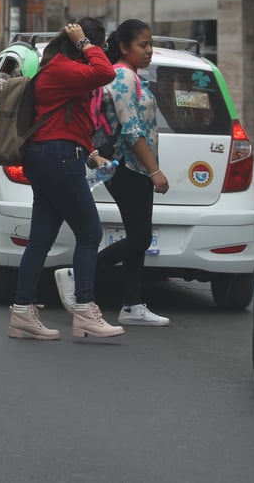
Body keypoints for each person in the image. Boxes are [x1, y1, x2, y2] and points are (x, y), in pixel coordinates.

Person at [7, 19, 123, 341]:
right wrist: (87, 43)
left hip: (51, 156)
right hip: (58, 158)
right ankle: (85, 310)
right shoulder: (61, 68)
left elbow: (68, 118)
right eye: (95, 47)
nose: (98, 53)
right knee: (90, 232)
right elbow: (105, 73)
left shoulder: (57, 69)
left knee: (41, 238)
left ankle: (22, 313)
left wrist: (89, 151)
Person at [53, 19, 171, 327]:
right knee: (141, 236)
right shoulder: (121, 76)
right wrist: (155, 170)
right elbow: (132, 130)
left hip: (135, 168)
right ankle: (77, 273)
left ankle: (132, 304)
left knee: (137, 235)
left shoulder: (132, 76)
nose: (149, 51)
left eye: (150, 44)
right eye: (142, 45)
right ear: (123, 47)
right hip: (126, 166)